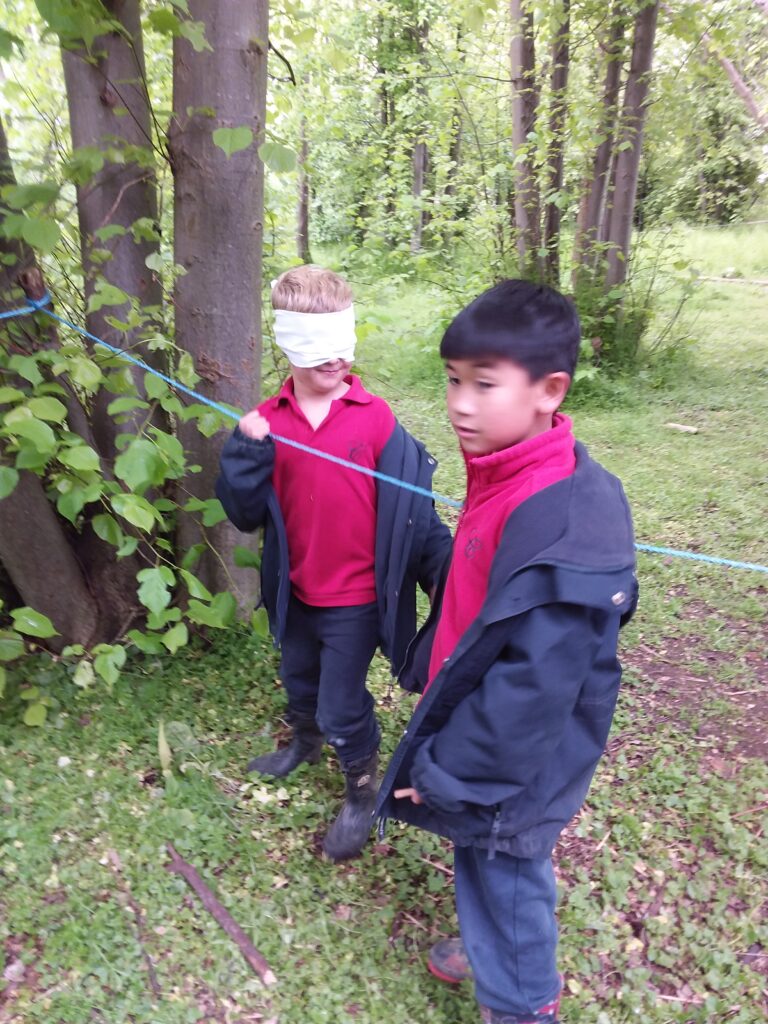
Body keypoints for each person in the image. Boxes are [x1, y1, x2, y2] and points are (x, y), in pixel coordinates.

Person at [374, 279, 638, 1024]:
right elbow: (485, 588)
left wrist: (455, 771)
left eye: (484, 384)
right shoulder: (509, 468)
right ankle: (491, 945)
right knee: (485, 850)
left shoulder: (569, 518)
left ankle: (522, 1001)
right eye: (454, 379)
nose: (460, 402)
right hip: (489, 725)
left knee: (505, 859)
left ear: (550, 390)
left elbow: (534, 686)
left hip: (520, 748)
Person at [216, 264, 451, 863]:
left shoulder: (376, 420)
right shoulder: (268, 420)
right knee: (298, 679)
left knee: (341, 703)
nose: (335, 358)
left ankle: (362, 792)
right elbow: (244, 514)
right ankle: (304, 743)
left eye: (341, 344)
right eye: (317, 346)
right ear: (288, 343)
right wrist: (245, 453)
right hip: (296, 593)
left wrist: (445, 571)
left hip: (355, 601)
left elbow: (412, 514)